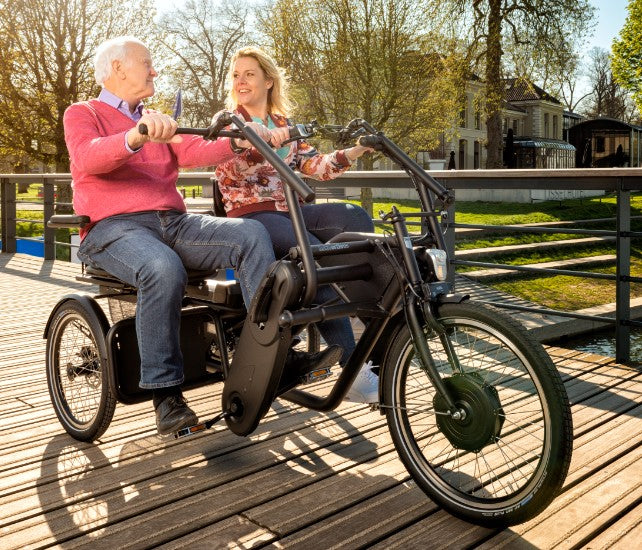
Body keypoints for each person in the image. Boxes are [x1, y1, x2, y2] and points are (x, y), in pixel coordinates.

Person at [63, 36, 341, 436]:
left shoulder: (159, 118)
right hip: (112, 227)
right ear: (119, 68)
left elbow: (196, 150)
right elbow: (89, 156)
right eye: (147, 63)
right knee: (162, 267)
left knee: (248, 233)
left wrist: (242, 140)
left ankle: (268, 360)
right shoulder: (83, 113)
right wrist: (136, 136)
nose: (154, 70)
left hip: (171, 222)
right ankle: (166, 395)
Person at [214, 46, 379, 403]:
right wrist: (254, 143)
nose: (241, 81)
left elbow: (313, 166)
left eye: (249, 74)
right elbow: (227, 167)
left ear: (268, 81)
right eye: (236, 75)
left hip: (291, 209)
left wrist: (351, 153)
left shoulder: (284, 123)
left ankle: (379, 337)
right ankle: (353, 369)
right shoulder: (230, 122)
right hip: (253, 214)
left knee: (353, 219)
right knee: (311, 253)